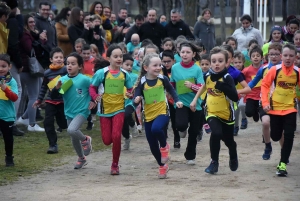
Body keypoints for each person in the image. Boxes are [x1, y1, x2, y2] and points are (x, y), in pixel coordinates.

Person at [190, 46, 239, 175]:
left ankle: (233, 152)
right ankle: (214, 162)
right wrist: (195, 100)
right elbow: (204, 87)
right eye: (214, 61)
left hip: (227, 114)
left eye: (220, 61)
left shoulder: (228, 78)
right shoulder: (207, 75)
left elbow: (235, 96)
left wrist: (222, 86)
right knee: (216, 133)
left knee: (228, 141)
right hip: (211, 111)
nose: (217, 64)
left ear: (226, 62)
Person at [134, 53, 183, 178]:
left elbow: (171, 90)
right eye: (155, 65)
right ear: (146, 68)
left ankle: (164, 146)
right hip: (148, 115)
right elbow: (137, 93)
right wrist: (137, 98)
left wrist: (176, 100)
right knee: (152, 144)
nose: (158, 67)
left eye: (159, 65)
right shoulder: (142, 81)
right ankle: (162, 165)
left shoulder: (162, 79)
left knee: (157, 129)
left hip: (162, 112)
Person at [89, 44, 133, 175]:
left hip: (119, 108)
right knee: (107, 140)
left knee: (116, 136)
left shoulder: (125, 74)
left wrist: (130, 94)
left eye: (120, 56)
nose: (119, 59)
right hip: (104, 110)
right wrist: (95, 96)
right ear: (109, 58)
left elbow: (130, 89)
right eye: (116, 56)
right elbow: (92, 87)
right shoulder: (101, 73)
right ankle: (115, 149)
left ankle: (115, 164)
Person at [261, 43, 299, 177]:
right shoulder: (275, 70)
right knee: (276, 136)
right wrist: (265, 103)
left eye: (291, 56)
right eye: (286, 55)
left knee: (289, 135)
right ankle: (271, 141)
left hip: (290, 109)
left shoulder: (297, 72)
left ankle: (282, 164)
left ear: (295, 57)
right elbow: (264, 86)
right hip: (275, 109)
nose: (288, 58)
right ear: (282, 56)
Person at [51, 52, 94, 169]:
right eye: (68, 63)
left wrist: (94, 100)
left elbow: (94, 90)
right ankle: (81, 158)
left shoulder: (85, 79)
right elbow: (53, 95)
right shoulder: (62, 80)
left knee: (71, 130)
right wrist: (57, 88)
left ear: (80, 66)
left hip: (82, 111)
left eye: (73, 64)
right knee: (73, 137)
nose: (69, 66)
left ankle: (86, 139)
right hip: (69, 111)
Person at [170, 41, 204, 165]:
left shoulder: (197, 69)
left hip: (195, 104)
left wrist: (192, 86)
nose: (184, 54)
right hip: (180, 103)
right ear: (179, 53)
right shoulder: (175, 68)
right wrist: (171, 96)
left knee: (194, 131)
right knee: (181, 125)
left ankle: (190, 156)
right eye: (182, 52)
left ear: (193, 54)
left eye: (188, 52)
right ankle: (182, 128)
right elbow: (172, 84)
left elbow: (202, 87)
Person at [248, 42, 282, 160]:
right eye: (271, 54)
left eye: (276, 54)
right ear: (267, 56)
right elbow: (252, 83)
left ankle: (284, 152)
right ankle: (268, 146)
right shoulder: (263, 69)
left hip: (281, 103)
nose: (273, 57)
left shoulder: (287, 69)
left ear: (281, 55)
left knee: (279, 130)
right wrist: (239, 91)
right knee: (265, 122)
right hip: (265, 101)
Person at [33, 47, 68, 154]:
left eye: (61, 57)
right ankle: (53, 145)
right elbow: (44, 87)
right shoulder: (47, 73)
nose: (59, 59)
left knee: (63, 124)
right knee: (48, 122)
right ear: (51, 59)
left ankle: (63, 125)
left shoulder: (66, 70)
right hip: (50, 101)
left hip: (63, 101)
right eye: (56, 57)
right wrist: (39, 100)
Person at [17, 14, 45, 132]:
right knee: (34, 96)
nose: (33, 24)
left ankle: (24, 118)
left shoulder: (29, 34)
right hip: (29, 69)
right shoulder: (26, 35)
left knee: (33, 95)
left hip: (27, 68)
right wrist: (39, 39)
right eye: (30, 22)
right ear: (25, 24)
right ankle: (32, 124)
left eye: (34, 22)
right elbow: (31, 49)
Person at [4, 1, 24, 136]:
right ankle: (12, 121)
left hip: (5, 58)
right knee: (17, 89)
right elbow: (14, 42)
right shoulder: (12, 21)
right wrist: (19, 62)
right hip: (9, 61)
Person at [221, 45, 251, 135]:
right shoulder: (212, 70)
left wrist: (237, 91)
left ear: (232, 59)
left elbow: (247, 88)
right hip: (215, 102)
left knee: (235, 111)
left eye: (228, 57)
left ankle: (235, 127)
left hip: (230, 101)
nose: (225, 60)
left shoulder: (236, 73)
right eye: (223, 57)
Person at [0, 54, 18, 166]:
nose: (0, 69)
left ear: (9, 67)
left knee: (8, 138)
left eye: (3, 66)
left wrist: (6, 90)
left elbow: (15, 98)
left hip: (7, 116)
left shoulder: (11, 81)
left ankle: (9, 157)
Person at [161, 50, 180, 148]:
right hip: (163, 101)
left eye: (168, 61)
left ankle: (177, 138)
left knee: (174, 121)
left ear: (174, 61)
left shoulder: (176, 71)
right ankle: (164, 140)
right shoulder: (160, 72)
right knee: (164, 122)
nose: (166, 64)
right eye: (164, 62)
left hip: (174, 100)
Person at [242, 46, 263, 123]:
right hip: (250, 95)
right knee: (248, 113)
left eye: (258, 56)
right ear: (250, 58)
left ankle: (257, 112)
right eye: (253, 56)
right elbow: (240, 79)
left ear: (262, 58)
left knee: (262, 115)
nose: (255, 57)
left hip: (261, 95)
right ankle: (254, 113)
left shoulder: (264, 69)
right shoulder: (246, 70)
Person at [121, 54, 138, 149]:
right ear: (121, 64)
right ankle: (127, 138)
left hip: (131, 101)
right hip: (120, 102)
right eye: (127, 64)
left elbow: (137, 88)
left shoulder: (135, 76)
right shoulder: (117, 75)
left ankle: (132, 124)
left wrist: (133, 94)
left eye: (131, 65)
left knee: (126, 115)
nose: (129, 67)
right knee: (122, 122)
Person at [34, 1, 57, 68]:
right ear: (39, 10)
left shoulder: (49, 21)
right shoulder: (35, 21)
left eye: (47, 10)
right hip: (42, 56)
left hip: (52, 54)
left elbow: (54, 38)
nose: (45, 11)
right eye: (43, 10)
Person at [232, 51, 247, 136]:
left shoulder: (245, 71)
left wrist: (245, 92)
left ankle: (244, 118)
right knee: (235, 111)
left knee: (242, 105)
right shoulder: (232, 72)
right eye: (235, 63)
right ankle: (235, 127)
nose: (237, 64)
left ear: (243, 62)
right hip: (235, 95)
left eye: (240, 62)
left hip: (244, 94)